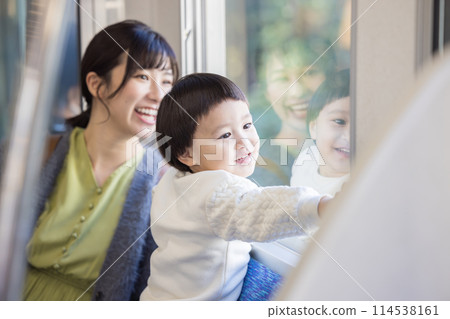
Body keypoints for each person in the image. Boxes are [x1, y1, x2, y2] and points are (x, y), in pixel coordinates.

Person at [23, 20, 178, 301]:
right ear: (96, 84)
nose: (159, 95)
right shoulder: (33, 155)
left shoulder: (164, 182)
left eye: (166, 82)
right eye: (143, 77)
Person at [140, 73, 331, 301]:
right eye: (225, 135)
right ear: (186, 154)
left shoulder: (171, 181)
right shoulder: (216, 192)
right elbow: (259, 209)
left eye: (247, 125)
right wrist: (317, 206)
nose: (244, 141)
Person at [290, 69, 350, 196]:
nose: (349, 136)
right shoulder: (305, 161)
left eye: (363, 125)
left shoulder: (359, 185)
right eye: (339, 121)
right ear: (314, 128)